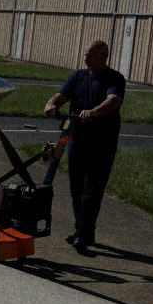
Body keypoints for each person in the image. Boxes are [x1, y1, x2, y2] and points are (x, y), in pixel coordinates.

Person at [44, 40, 126, 254]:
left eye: (90, 56)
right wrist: (52, 104)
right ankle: (84, 231)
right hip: (75, 141)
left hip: (101, 145)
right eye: (85, 55)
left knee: (91, 191)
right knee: (76, 189)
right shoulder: (78, 76)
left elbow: (113, 100)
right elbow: (61, 95)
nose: (86, 59)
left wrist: (94, 111)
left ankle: (83, 233)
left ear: (103, 57)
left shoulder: (114, 78)